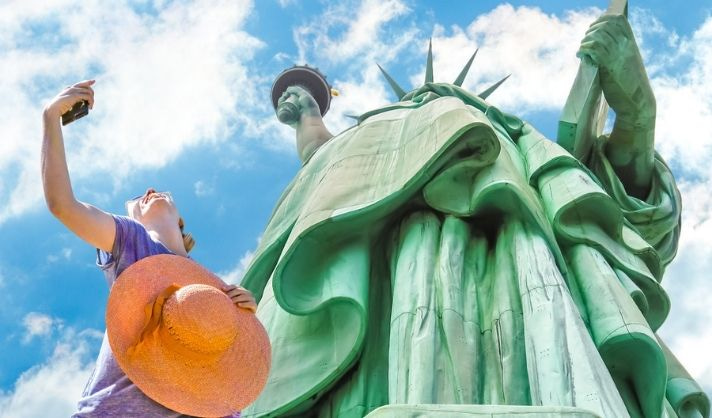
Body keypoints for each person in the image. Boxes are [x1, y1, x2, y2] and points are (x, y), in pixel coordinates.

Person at [240, 12, 709, 418]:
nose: (426, 109)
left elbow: (616, 203)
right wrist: (307, 117)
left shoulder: (508, 140)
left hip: (516, 249)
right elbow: (325, 170)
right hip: (378, 289)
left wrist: (636, 112)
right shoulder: (367, 146)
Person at [41, 80, 258, 417]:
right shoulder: (134, 243)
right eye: (136, 201)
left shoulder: (214, 294)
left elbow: (223, 398)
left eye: (161, 191)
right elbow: (63, 205)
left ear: (181, 219)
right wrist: (50, 117)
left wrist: (244, 324)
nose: (151, 189)